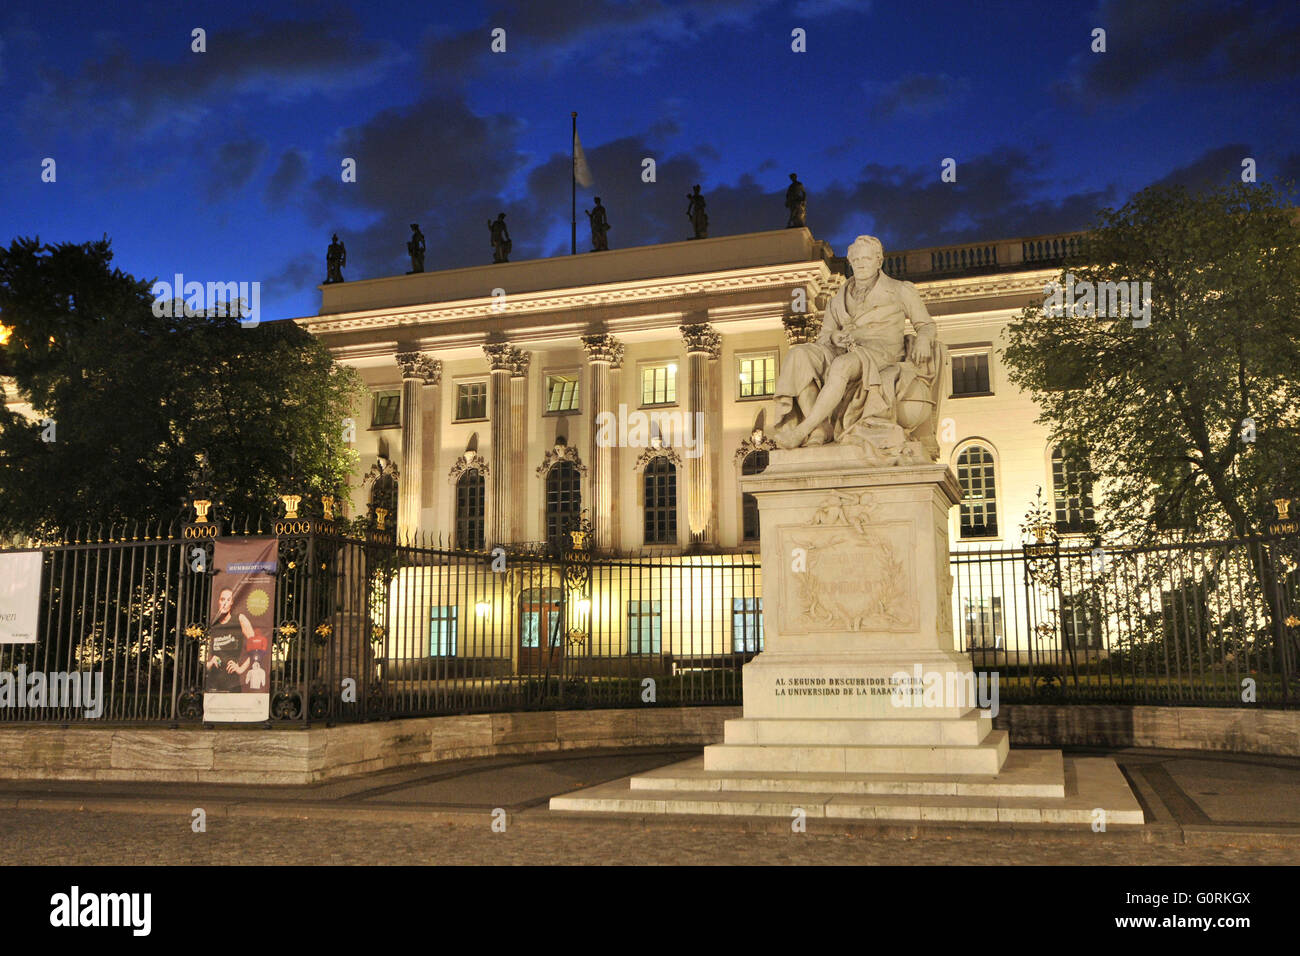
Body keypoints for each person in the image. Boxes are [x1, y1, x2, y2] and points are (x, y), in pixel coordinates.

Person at [773, 234, 944, 461]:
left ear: (878, 261)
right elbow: (824, 337)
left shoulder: (900, 290)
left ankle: (802, 430)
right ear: (850, 262)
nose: (861, 263)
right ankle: (820, 428)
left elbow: (926, 325)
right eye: (856, 259)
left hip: (881, 352)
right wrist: (835, 337)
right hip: (844, 349)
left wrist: (923, 339)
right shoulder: (837, 299)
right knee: (799, 356)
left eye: (866, 258)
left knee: (842, 366)